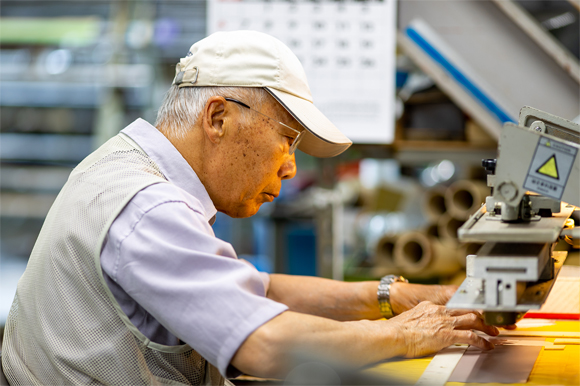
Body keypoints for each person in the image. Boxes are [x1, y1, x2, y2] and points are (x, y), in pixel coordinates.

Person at [1, 31, 500, 385]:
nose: (290, 167)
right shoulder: (148, 207)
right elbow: (265, 343)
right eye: (286, 139)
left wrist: (392, 296)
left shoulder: (126, 167)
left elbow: (257, 290)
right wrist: (403, 336)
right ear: (217, 116)